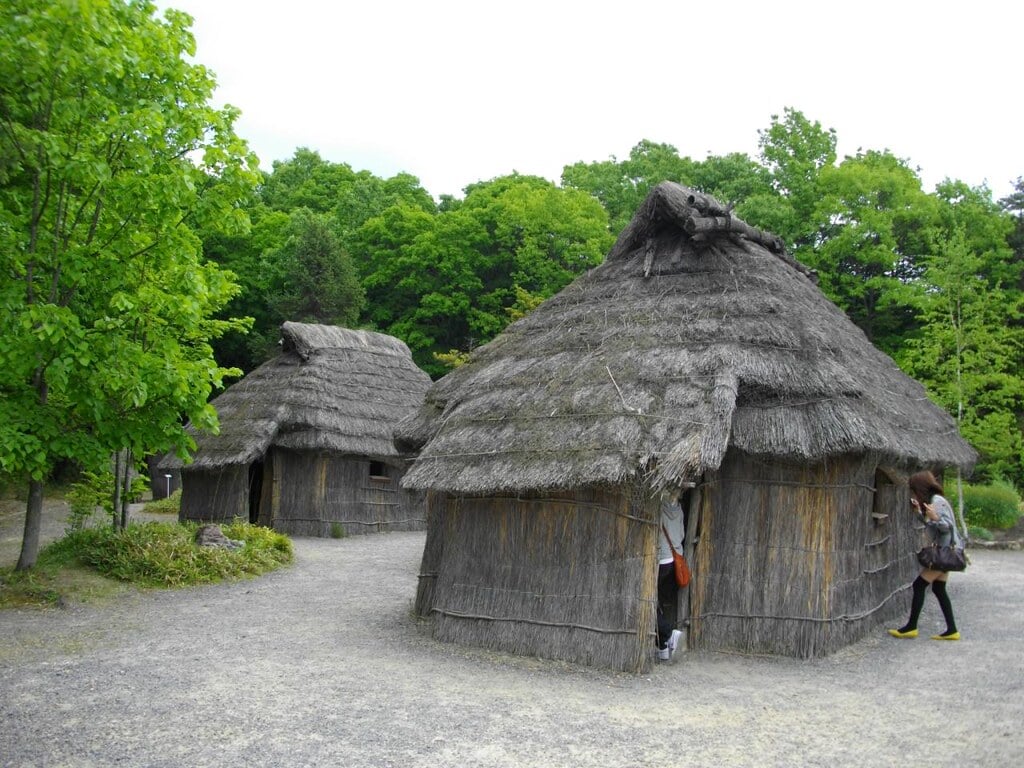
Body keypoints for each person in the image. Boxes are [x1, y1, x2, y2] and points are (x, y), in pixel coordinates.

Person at [888, 471, 961, 641]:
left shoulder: (937, 501)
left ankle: (911, 627)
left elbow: (945, 527)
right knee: (938, 588)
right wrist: (919, 514)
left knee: (919, 585)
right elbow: (933, 524)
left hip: (944, 552)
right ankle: (952, 630)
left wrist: (933, 517)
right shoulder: (935, 501)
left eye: (914, 489)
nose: (913, 492)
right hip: (945, 552)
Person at [656, 488, 685, 660]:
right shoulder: (679, 508)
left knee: (648, 600)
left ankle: (667, 633)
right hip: (674, 560)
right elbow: (681, 534)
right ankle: (662, 647)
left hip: (661, 559)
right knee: (656, 599)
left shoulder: (659, 507)